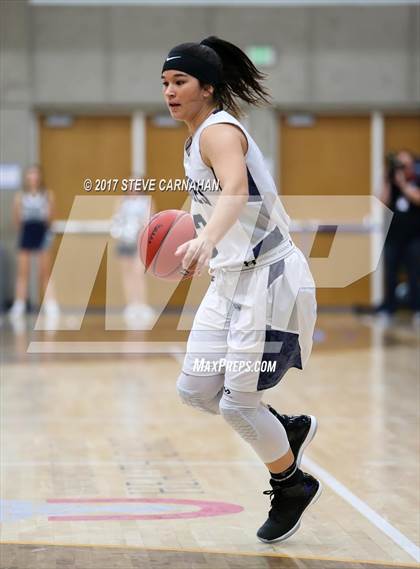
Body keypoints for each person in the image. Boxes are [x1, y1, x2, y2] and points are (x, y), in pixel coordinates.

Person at [161, 37, 321, 543]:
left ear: (207, 88)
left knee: (236, 404)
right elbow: (213, 205)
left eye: (180, 81)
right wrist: (195, 239)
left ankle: (291, 484)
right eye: (165, 82)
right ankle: (286, 428)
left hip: (269, 277)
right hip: (230, 279)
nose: (170, 90)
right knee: (195, 390)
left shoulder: (220, 131)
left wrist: (207, 239)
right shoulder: (193, 139)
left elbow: (236, 190)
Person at [9, 164, 59, 320]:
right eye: (30, 174)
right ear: (26, 177)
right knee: (23, 272)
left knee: (44, 272)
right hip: (27, 232)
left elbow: (51, 217)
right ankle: (19, 304)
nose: (33, 177)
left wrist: (46, 232)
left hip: (42, 232)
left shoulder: (47, 195)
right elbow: (16, 219)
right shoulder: (20, 196)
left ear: (40, 177)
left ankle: (51, 304)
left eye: (36, 174)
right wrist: (23, 232)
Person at [379, 150, 420, 322]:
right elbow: (381, 202)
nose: (402, 169)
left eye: (405, 165)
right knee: (390, 272)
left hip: (414, 237)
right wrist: (389, 180)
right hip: (393, 237)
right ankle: (389, 307)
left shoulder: (416, 180)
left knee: (414, 273)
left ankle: (416, 307)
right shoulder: (392, 183)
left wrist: (403, 185)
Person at [110, 187, 155, 327]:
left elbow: (151, 220)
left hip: (139, 241)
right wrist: (119, 231)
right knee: (127, 274)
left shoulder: (147, 201)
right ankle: (131, 305)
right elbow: (116, 219)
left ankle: (142, 304)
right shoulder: (121, 201)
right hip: (125, 240)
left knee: (139, 273)